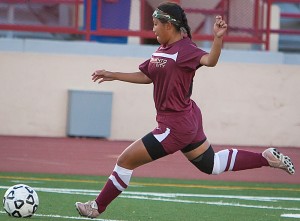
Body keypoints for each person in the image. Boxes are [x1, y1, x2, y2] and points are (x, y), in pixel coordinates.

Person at [75, 2, 295, 218]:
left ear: (168, 26)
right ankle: (266, 158)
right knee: (212, 165)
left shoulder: (186, 49)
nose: (152, 29)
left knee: (125, 161)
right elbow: (147, 76)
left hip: (175, 125)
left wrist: (217, 38)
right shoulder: (163, 49)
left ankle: (96, 206)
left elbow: (210, 60)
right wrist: (113, 74)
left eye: (155, 24)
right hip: (186, 119)